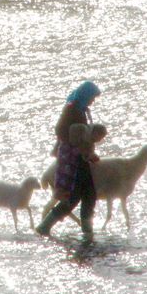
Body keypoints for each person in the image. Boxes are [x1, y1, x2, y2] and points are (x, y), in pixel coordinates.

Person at [36, 80, 102, 238]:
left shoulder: (81, 109)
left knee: (89, 195)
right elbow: (60, 130)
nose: (93, 101)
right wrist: (76, 144)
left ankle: (87, 231)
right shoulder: (72, 109)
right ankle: (44, 226)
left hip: (80, 156)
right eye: (92, 97)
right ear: (86, 95)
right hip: (74, 158)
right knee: (73, 197)